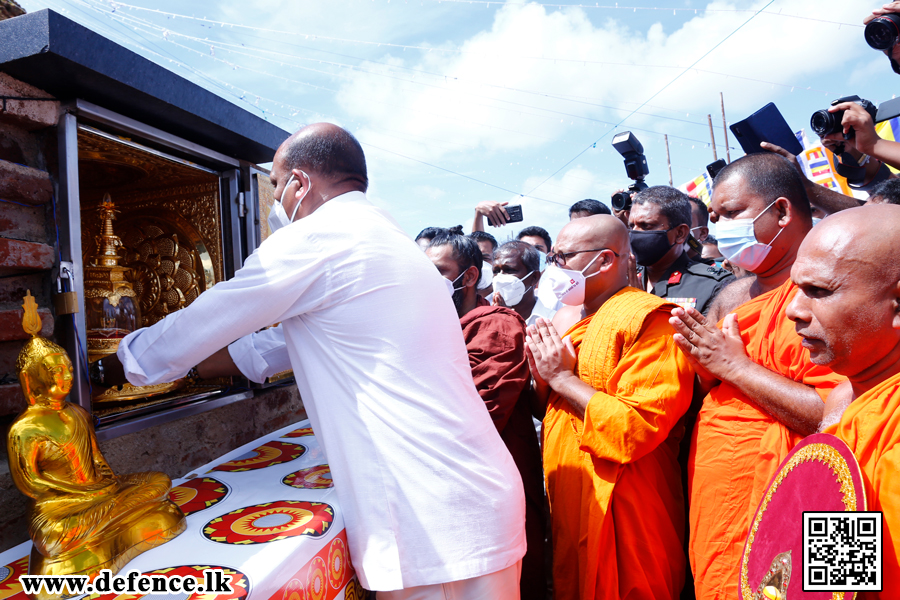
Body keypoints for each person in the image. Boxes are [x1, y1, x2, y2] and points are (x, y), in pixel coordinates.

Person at [92, 123, 526, 598]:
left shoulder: (321, 238)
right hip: (468, 498)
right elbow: (276, 346)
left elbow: (209, 317)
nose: (274, 199)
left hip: (437, 517)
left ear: (299, 183)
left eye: (275, 185)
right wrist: (192, 369)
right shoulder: (383, 236)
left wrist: (110, 367)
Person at [668, 152, 846, 600]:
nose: (719, 227)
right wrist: (706, 366)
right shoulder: (731, 294)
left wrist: (734, 367)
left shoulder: (842, 284)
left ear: (783, 210)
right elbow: (712, 385)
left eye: (731, 214)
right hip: (722, 494)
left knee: (832, 591)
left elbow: (841, 422)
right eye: (713, 217)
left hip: (818, 496)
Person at [527, 214, 694, 600]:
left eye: (563, 256)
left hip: (627, 510)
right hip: (573, 496)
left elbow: (634, 428)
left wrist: (564, 379)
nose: (555, 267)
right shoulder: (575, 322)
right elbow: (552, 411)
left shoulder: (652, 320)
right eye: (553, 256)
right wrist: (543, 375)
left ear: (604, 261)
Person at [785, 204, 900, 594]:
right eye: (797, 288)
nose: (793, 310)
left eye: (819, 291)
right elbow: (843, 579)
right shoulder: (848, 396)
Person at [425, 232, 546, 600]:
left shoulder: (496, 323)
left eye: (439, 271)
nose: (430, 282)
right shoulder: (432, 324)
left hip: (487, 480)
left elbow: (484, 410)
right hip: (446, 483)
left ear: (470, 276)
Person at [628, 186, 733, 316]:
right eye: (632, 226)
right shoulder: (621, 280)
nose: (635, 233)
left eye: (646, 226)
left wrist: (639, 308)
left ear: (680, 233)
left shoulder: (714, 285)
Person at [492, 241, 558, 327]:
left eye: (509, 270)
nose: (499, 278)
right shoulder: (487, 320)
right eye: (496, 271)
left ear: (534, 278)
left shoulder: (554, 321)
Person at [470, 230, 499, 298]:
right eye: (473, 258)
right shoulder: (454, 298)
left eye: (485, 258)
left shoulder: (506, 298)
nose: (479, 263)